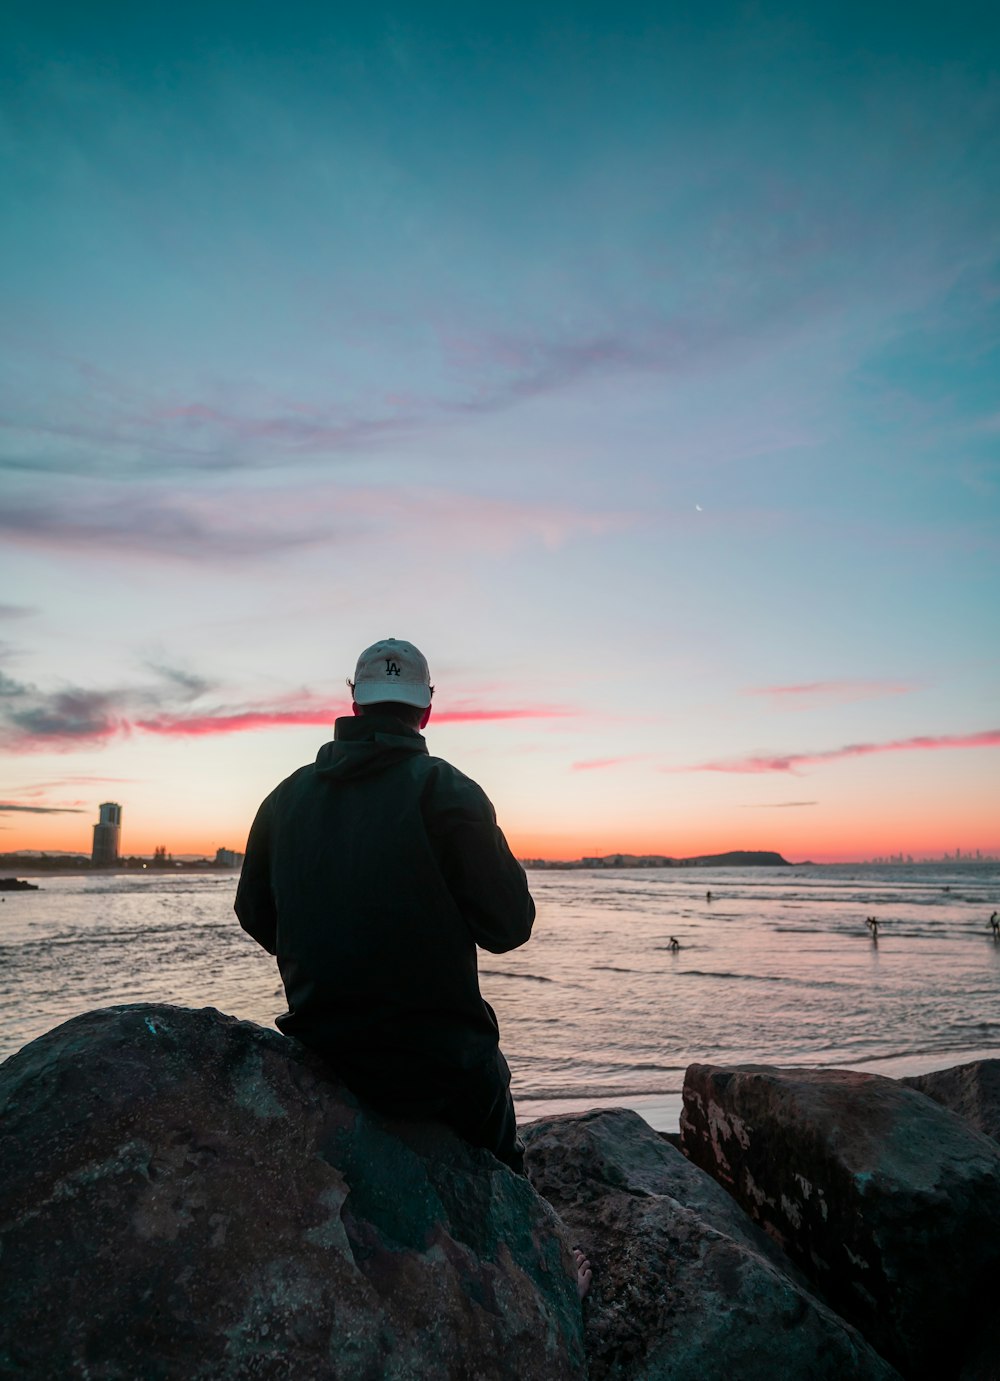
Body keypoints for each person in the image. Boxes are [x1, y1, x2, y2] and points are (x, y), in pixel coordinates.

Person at [235, 637, 537, 1177]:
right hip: (441, 1065)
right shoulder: (447, 790)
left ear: (354, 704)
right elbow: (510, 926)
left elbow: (254, 912)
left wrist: (328, 946)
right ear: (426, 709)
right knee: (502, 1161)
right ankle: (531, 1243)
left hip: (323, 1054)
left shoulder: (284, 798)